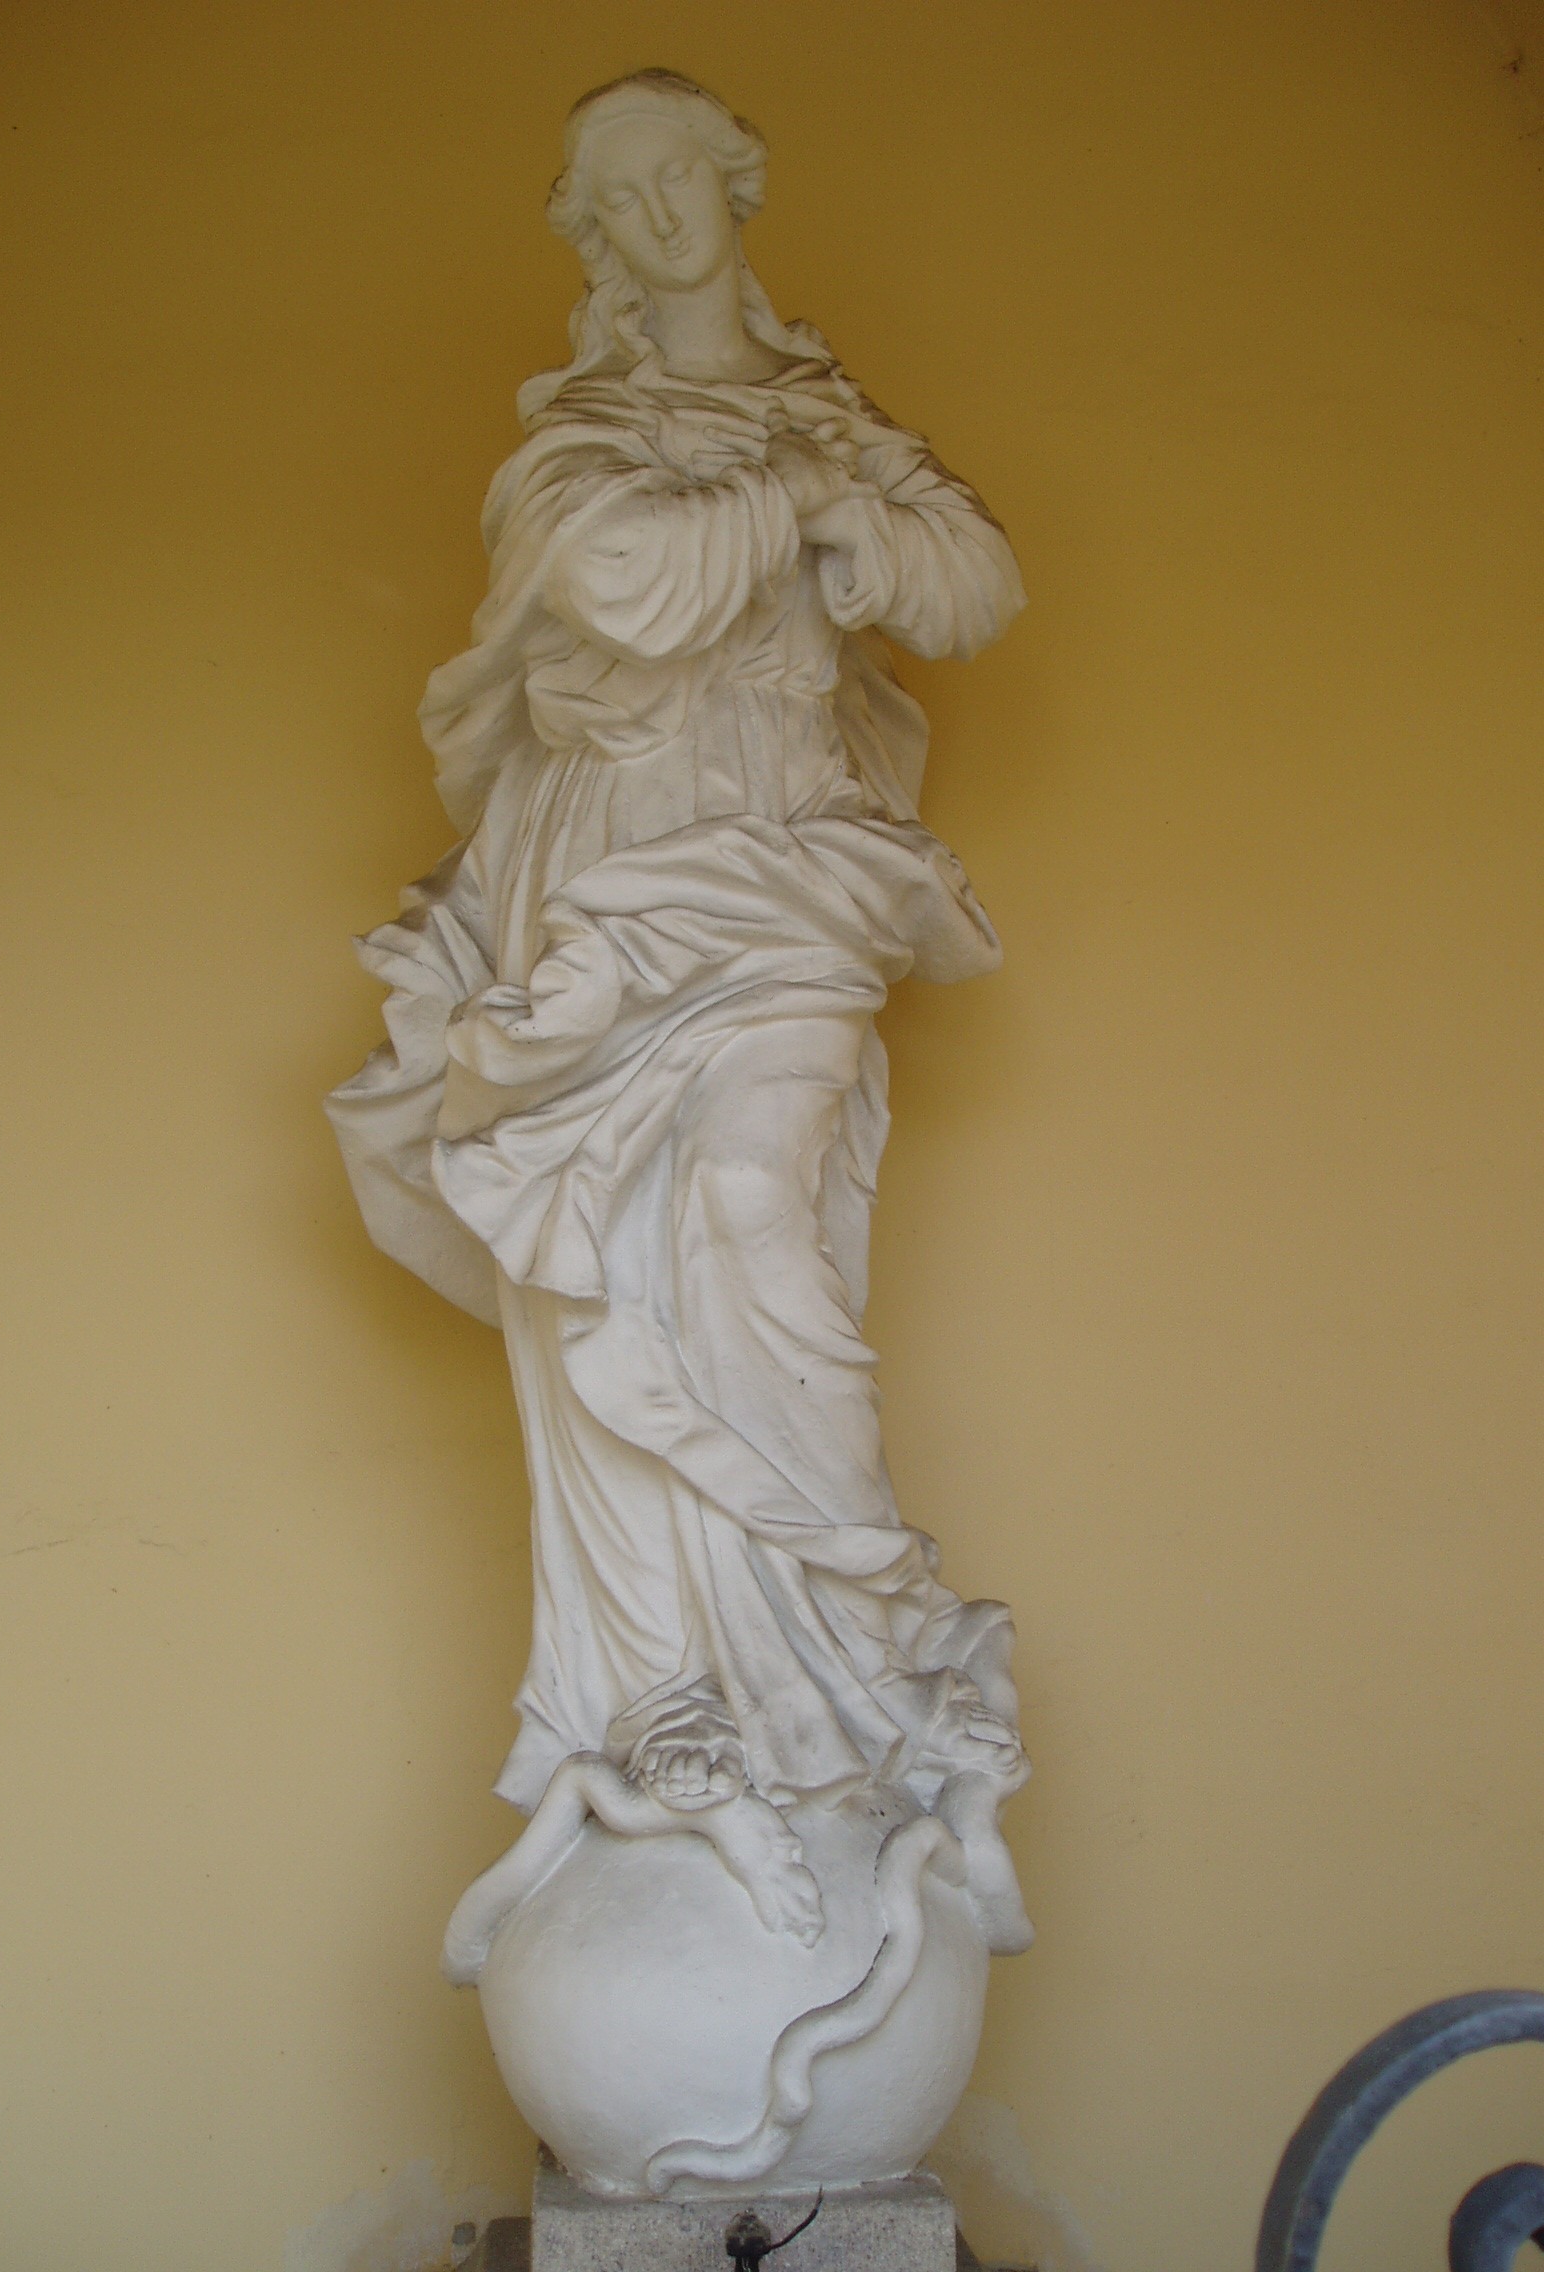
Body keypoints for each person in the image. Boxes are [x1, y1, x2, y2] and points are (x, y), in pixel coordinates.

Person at [328, 70, 1027, 1835]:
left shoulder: (832, 416)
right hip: (605, 866)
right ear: (593, 239)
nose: (656, 217)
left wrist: (829, 487)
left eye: (679, 179)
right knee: (601, 1269)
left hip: (790, 863)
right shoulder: (578, 441)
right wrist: (804, 497)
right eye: (617, 197)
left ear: (736, 186)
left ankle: (858, 1618)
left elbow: (972, 587)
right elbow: (629, 584)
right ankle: (661, 1693)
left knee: (746, 1200)